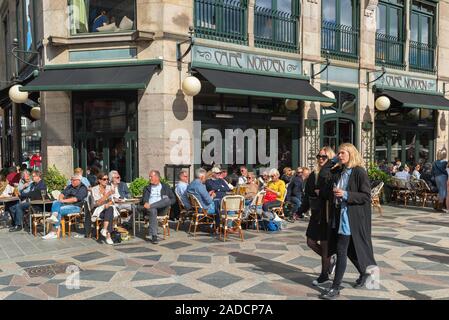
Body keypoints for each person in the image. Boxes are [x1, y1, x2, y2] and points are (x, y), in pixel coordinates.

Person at [320, 143, 377, 300]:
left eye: (343, 153)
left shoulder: (359, 172)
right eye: (338, 153)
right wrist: (332, 161)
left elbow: (366, 196)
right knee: (350, 250)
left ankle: (335, 288)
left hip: (352, 218)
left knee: (341, 250)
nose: (340, 155)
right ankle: (365, 273)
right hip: (339, 215)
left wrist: (345, 194)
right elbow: (323, 175)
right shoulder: (339, 170)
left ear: (351, 154)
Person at [298, 147, 336, 287]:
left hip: (327, 213)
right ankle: (330, 260)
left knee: (325, 245)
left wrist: (322, 193)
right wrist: (301, 210)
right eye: (319, 156)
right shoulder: (313, 174)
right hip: (316, 213)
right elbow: (308, 196)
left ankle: (324, 275)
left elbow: (333, 193)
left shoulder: (332, 173)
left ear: (330, 159)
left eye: (324, 157)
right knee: (310, 242)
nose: (320, 158)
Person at [43, 175, 88, 240]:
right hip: (65, 204)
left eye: (73, 180)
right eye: (71, 179)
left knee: (59, 209)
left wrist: (63, 201)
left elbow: (75, 199)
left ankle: (54, 231)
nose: (71, 181)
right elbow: (62, 194)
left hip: (75, 206)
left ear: (79, 180)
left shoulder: (83, 188)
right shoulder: (70, 186)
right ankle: (54, 218)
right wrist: (61, 199)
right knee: (55, 202)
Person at [142, 170, 176, 244]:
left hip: (162, 209)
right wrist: (146, 203)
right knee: (153, 210)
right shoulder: (147, 188)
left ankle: (152, 206)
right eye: (149, 177)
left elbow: (173, 199)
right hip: (151, 211)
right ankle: (154, 236)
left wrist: (150, 205)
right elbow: (144, 200)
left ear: (157, 177)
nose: (149, 178)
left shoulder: (165, 187)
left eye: (151, 176)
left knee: (166, 200)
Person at [91, 172, 118, 245]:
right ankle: (108, 236)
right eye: (104, 179)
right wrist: (107, 195)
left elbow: (113, 200)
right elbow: (98, 203)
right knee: (110, 213)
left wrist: (108, 203)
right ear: (99, 180)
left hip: (107, 209)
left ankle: (105, 229)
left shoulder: (109, 187)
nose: (106, 181)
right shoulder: (94, 189)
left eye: (107, 179)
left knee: (110, 209)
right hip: (98, 210)